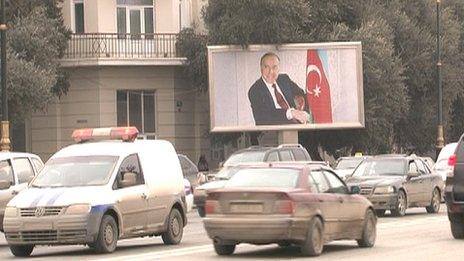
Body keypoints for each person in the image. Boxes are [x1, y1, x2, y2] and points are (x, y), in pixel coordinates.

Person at [248, 52, 313, 125]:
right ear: (261, 68)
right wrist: (291, 113)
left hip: (297, 126)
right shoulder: (255, 90)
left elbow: (302, 95)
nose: (271, 72)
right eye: (266, 67)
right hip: (274, 131)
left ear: (279, 68)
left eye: (274, 67)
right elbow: (263, 117)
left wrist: (304, 114)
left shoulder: (284, 79)